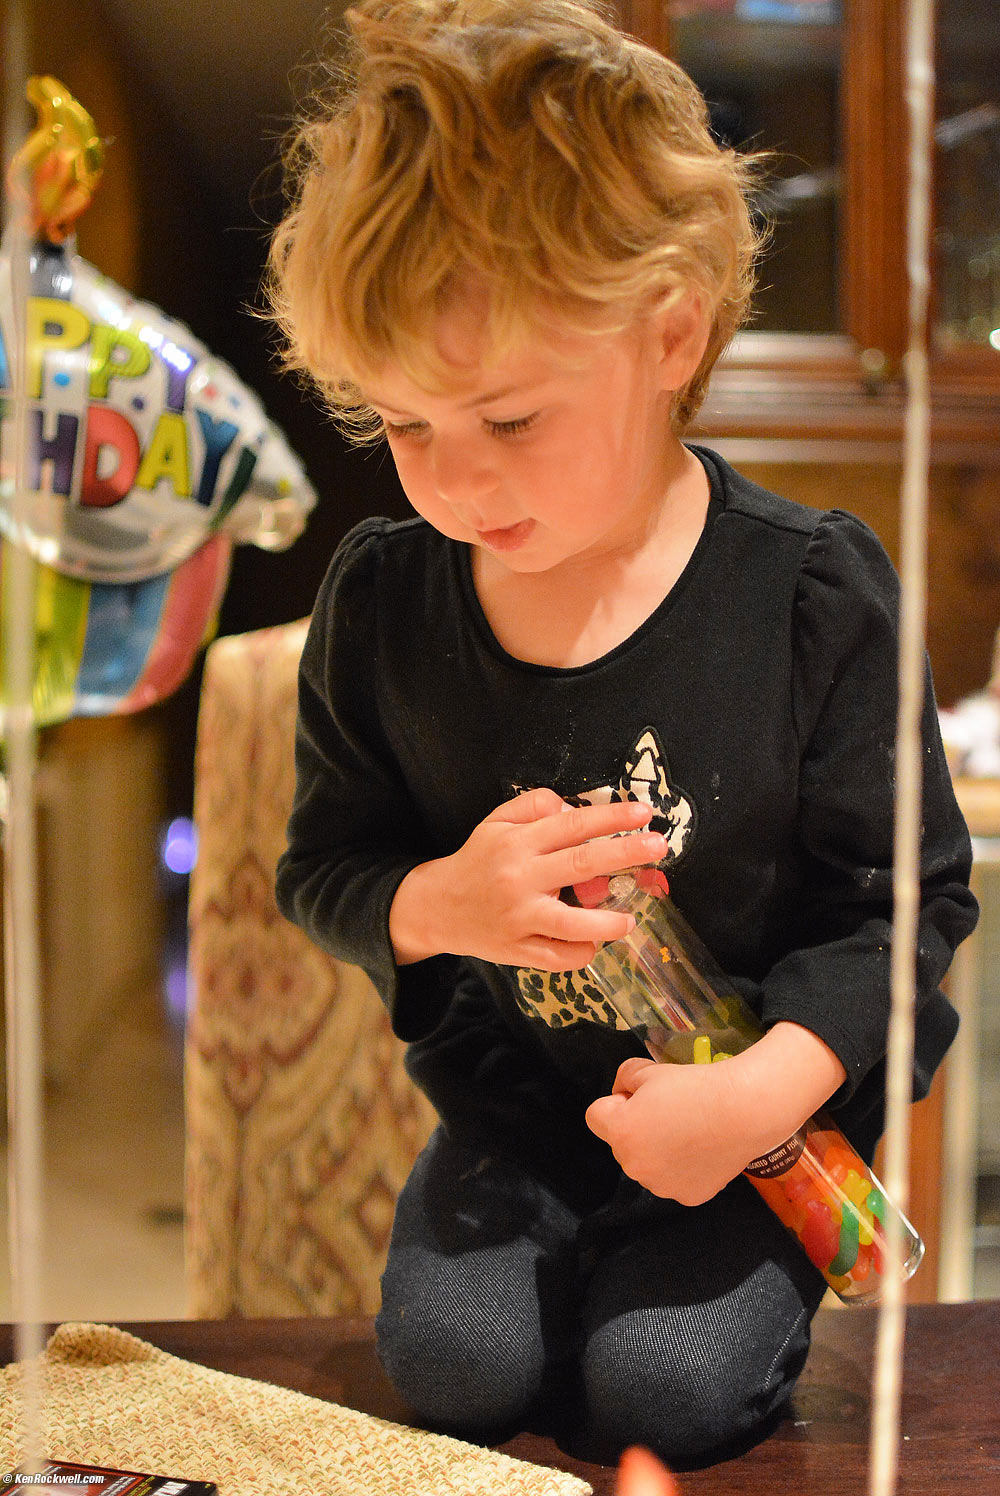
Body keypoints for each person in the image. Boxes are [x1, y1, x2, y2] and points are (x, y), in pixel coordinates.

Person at [266, 0, 978, 1466]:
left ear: (670, 333)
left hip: (748, 1135)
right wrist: (440, 902)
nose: (455, 485)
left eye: (510, 421)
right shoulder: (384, 602)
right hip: (515, 1126)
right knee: (456, 1368)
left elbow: (901, 910)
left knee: (663, 1388)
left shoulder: (812, 596)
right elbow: (324, 871)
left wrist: (762, 1094)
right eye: (403, 425)